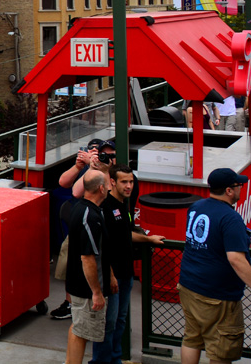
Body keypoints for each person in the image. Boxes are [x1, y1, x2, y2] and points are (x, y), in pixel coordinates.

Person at [178, 168, 251, 364]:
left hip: (188, 285)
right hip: (217, 295)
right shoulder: (230, 218)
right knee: (221, 350)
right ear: (229, 190)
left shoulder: (196, 206)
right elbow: (236, 259)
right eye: (239, 185)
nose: (241, 188)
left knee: (192, 338)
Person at [90, 164, 164, 364]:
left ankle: (115, 359)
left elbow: (126, 234)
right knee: (108, 323)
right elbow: (103, 246)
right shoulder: (106, 207)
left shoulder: (124, 204)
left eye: (131, 181)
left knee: (120, 320)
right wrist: (111, 275)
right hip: (112, 277)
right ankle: (101, 361)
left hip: (126, 273)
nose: (129, 186)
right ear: (112, 182)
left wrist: (148, 239)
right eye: (124, 182)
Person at [52, 139, 116, 320]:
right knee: (71, 264)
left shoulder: (116, 173)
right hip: (81, 224)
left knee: (96, 263)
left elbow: (111, 193)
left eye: (110, 155)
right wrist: (85, 167)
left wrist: (101, 168)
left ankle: (95, 298)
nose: (105, 158)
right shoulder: (90, 170)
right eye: (101, 154)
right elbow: (71, 188)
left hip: (102, 226)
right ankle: (70, 302)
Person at [65, 170, 110, 364]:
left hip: (81, 286)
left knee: (78, 326)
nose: (109, 188)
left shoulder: (84, 209)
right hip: (85, 290)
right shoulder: (89, 216)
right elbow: (87, 258)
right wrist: (96, 292)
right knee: (81, 332)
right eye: (107, 184)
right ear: (101, 188)